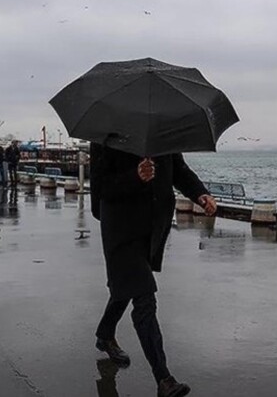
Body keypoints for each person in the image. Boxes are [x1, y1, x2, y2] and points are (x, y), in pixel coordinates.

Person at [90, 143, 217, 397]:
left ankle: (105, 335)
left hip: (151, 231)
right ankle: (164, 379)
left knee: (126, 287)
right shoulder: (106, 135)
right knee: (144, 297)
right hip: (121, 231)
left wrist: (200, 194)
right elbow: (101, 187)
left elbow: (178, 169)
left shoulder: (162, 131)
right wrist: (135, 177)